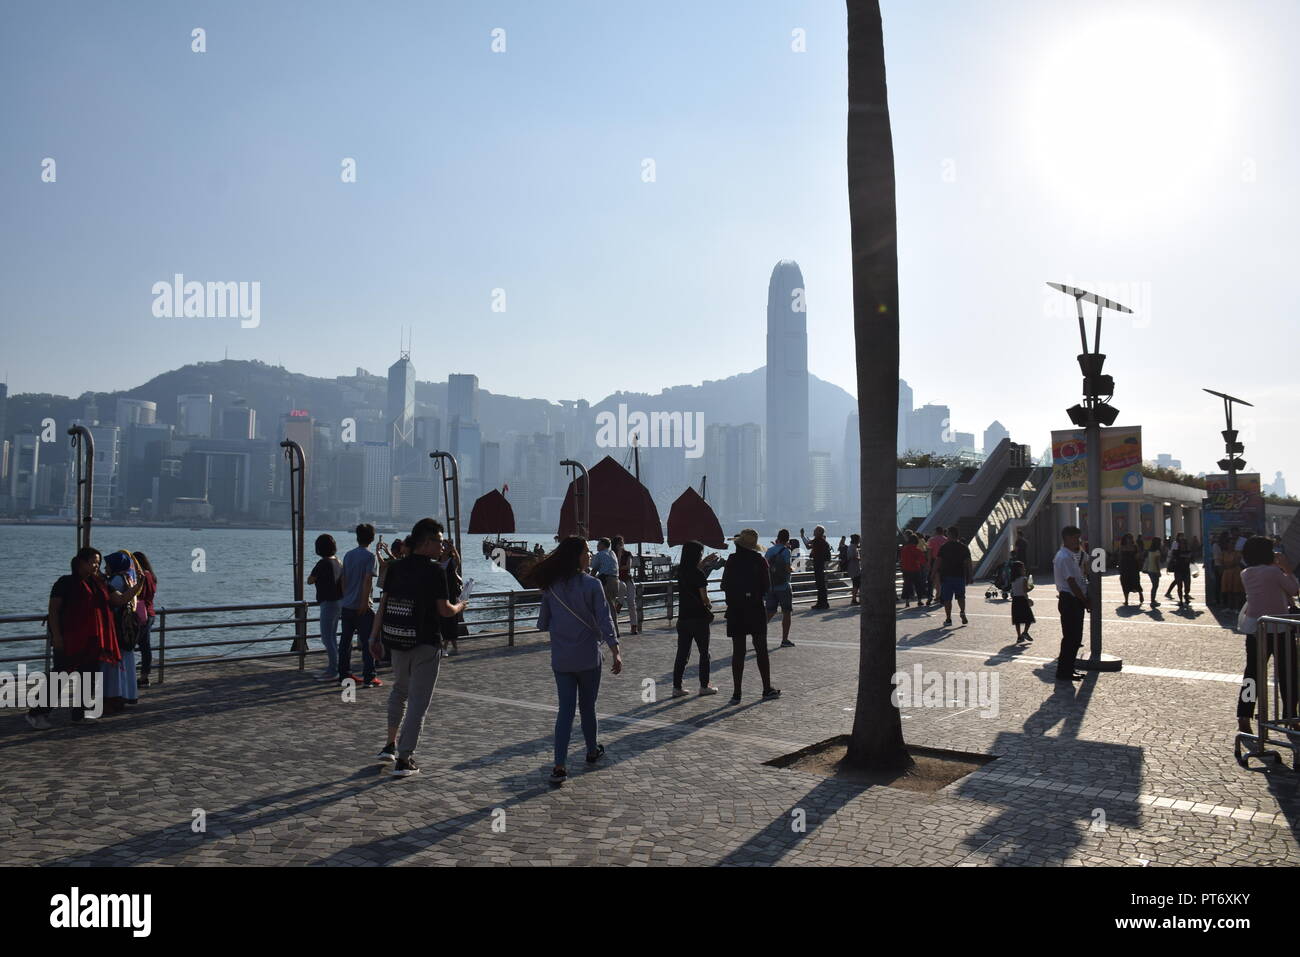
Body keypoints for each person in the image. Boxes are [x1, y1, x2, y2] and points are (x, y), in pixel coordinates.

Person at [369, 518, 467, 777]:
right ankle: (404, 758)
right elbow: (444, 610)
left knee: (399, 691)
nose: (442, 546)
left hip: (397, 639)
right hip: (425, 643)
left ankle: (390, 745)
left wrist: (373, 637)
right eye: (439, 541)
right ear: (427, 541)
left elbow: (382, 606)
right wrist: (461, 606)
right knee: (418, 703)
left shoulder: (395, 567)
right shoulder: (435, 571)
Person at [534, 536, 622, 784]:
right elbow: (605, 621)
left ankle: (559, 765)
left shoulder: (551, 587)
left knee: (565, 711)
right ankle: (592, 750)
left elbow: (542, 623)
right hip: (588, 657)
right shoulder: (593, 585)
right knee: (587, 708)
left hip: (562, 659)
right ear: (577, 557)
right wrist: (616, 650)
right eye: (586, 551)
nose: (590, 555)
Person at [27, 547, 118, 729]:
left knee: (88, 676)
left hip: (92, 640)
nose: (96, 565)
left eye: (98, 562)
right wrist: (57, 636)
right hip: (68, 638)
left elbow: (119, 600)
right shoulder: (64, 583)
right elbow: (53, 611)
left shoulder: (98, 584)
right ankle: (37, 713)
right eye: (93, 561)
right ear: (80, 562)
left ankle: (79, 714)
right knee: (60, 675)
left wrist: (137, 585)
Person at [1237, 536, 1299, 733]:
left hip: (1255, 628)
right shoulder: (1274, 572)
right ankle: (1290, 714)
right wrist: (1287, 568)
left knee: (1252, 674)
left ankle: (1244, 715)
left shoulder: (1246, 573)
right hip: (1279, 627)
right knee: (1288, 673)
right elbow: (1294, 589)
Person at [722, 529, 780, 702]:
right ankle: (766, 688)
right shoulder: (759, 561)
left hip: (735, 609)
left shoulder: (732, 560)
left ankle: (737, 693)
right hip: (755, 608)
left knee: (738, 651)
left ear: (738, 544)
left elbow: (724, 585)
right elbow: (766, 587)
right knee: (761, 649)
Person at [102, 551, 145, 712]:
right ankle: (124, 694)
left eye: (107, 565)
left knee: (113, 666)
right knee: (125, 664)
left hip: (116, 628)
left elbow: (115, 600)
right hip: (126, 628)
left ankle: (113, 697)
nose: (105, 568)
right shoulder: (129, 578)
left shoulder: (116, 580)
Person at [672, 541, 717, 696]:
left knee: (682, 654)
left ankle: (676, 687)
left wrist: (705, 562)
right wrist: (709, 604)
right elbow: (704, 598)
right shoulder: (699, 575)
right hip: (699, 619)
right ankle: (704, 686)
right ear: (697, 555)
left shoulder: (680, 571)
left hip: (683, 618)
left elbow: (692, 568)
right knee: (704, 653)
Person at [340, 523, 381, 687]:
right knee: (367, 642)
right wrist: (364, 603)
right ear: (371, 538)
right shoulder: (370, 557)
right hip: (362, 606)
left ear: (357, 537)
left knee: (345, 642)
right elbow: (367, 581)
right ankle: (369, 677)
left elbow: (343, 579)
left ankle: (344, 674)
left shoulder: (348, 555)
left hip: (347, 605)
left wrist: (346, 597)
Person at [1053, 526, 1089, 682]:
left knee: (1074, 638)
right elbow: (1072, 582)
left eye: (1078, 537)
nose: (1078, 540)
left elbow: (1084, 566)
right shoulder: (1064, 556)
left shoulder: (1072, 555)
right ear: (1067, 538)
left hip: (1073, 599)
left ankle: (1068, 669)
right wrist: (1085, 600)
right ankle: (1064, 671)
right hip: (1070, 599)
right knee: (1071, 638)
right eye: (1075, 537)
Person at [308, 533, 344, 680]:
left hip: (327, 603)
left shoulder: (322, 563)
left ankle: (332, 670)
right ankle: (336, 668)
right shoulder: (338, 562)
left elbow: (310, 580)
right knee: (332, 636)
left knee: (326, 638)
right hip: (339, 602)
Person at [764, 530, 796, 647]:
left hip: (771, 586)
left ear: (777, 538)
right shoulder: (786, 551)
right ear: (787, 539)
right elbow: (788, 568)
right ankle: (784, 639)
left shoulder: (769, 550)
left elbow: (765, 567)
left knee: (769, 612)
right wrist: (793, 568)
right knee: (787, 612)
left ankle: (759, 635)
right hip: (783, 586)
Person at [132, 552, 158, 687]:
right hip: (150, 612)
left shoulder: (141, 576)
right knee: (145, 646)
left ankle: (138, 677)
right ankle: (144, 676)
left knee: (131, 645)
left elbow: (138, 594)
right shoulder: (151, 575)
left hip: (141, 614)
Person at [937, 532, 972, 626]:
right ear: (957, 536)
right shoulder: (963, 547)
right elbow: (968, 562)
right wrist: (970, 576)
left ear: (949, 536)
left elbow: (938, 561)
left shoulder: (944, 547)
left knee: (947, 599)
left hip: (946, 576)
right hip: (960, 576)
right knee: (961, 596)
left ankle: (948, 619)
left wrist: (933, 573)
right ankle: (962, 612)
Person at [438, 539, 465, 656]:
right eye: (442, 545)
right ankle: (454, 646)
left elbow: (458, 561)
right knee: (444, 620)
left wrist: (453, 548)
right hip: (440, 593)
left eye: (445, 546)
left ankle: (444, 647)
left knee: (450, 620)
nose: (443, 548)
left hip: (451, 593)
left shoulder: (451, 561)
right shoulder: (438, 560)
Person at [612, 534, 639, 635]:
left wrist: (620, 566)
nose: (621, 545)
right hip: (617, 580)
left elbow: (628, 567)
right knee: (621, 587)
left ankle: (634, 626)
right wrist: (618, 555)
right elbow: (616, 567)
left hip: (628, 579)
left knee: (632, 603)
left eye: (622, 543)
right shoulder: (613, 554)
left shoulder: (628, 554)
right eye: (619, 544)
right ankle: (619, 603)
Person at [590, 538, 620, 631]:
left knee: (602, 605)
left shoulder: (600, 554)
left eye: (599, 544)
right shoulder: (613, 553)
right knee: (611, 604)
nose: (597, 546)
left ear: (603, 545)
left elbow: (594, 570)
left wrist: (588, 581)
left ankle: (609, 630)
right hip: (616, 581)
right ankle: (615, 628)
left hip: (606, 581)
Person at [800, 525, 832, 609]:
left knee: (820, 585)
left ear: (818, 532)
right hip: (821, 564)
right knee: (821, 585)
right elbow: (809, 546)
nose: (813, 531)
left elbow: (807, 544)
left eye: (815, 530)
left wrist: (802, 536)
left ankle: (821, 603)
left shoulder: (818, 540)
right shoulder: (821, 541)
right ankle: (823, 603)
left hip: (818, 564)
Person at [1218, 532, 1245, 610]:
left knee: (1236, 591)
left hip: (1235, 572)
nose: (1231, 545)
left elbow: (1236, 562)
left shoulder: (1238, 553)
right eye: (1230, 543)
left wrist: (1227, 565)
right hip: (1226, 573)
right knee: (1228, 591)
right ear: (1227, 544)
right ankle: (1229, 607)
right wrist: (1224, 567)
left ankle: (1236, 608)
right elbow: (1221, 562)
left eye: (1233, 544)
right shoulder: (1223, 553)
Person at [1009, 560, 1035, 642]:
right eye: (1023, 568)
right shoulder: (1023, 579)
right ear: (1019, 569)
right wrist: (1031, 586)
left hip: (1015, 600)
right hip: (1022, 600)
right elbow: (1025, 590)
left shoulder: (1013, 579)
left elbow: (1013, 591)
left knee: (1017, 620)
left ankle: (1019, 636)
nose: (1024, 569)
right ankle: (1025, 632)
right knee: (1029, 618)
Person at [900, 533, 926, 607]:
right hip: (915, 569)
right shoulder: (917, 550)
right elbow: (923, 561)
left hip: (906, 569)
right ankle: (919, 600)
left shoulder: (904, 549)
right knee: (918, 585)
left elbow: (901, 559)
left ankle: (907, 602)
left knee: (907, 585)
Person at [1165, 532, 1192, 604]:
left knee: (1187, 585)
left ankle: (1186, 595)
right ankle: (1181, 600)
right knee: (1179, 586)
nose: (1183, 544)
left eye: (1184, 543)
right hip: (1178, 569)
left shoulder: (1188, 551)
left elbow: (1192, 558)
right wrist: (1168, 566)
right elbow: (1172, 557)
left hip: (1186, 570)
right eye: (1182, 543)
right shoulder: (1175, 551)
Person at [1117, 533, 1143, 606]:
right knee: (1124, 582)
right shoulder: (1122, 547)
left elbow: (1139, 555)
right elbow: (1119, 557)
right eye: (1128, 538)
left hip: (1133, 567)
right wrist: (1119, 567)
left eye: (1130, 538)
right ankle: (1126, 600)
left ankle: (1140, 594)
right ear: (1125, 539)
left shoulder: (1135, 547)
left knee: (1136, 582)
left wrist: (1137, 556)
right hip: (1124, 567)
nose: (1129, 539)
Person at [927, 526, 949, 598]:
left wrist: (929, 563)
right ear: (942, 531)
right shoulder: (946, 540)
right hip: (945, 561)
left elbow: (930, 552)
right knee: (943, 578)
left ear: (936, 531)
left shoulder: (932, 540)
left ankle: (938, 594)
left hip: (934, 560)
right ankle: (942, 593)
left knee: (936, 578)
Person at [1143, 537, 1163, 608]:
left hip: (1149, 570)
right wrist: (1159, 571)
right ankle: (1152, 601)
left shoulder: (1150, 550)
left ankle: (1153, 600)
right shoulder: (1157, 551)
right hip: (1154, 570)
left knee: (1154, 586)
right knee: (1155, 586)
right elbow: (1156, 562)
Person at [845, 533, 862, 605]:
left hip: (853, 568)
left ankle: (854, 599)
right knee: (856, 584)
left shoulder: (851, 546)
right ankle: (854, 599)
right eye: (859, 539)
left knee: (856, 584)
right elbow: (853, 557)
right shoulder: (853, 547)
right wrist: (860, 558)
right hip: (854, 568)